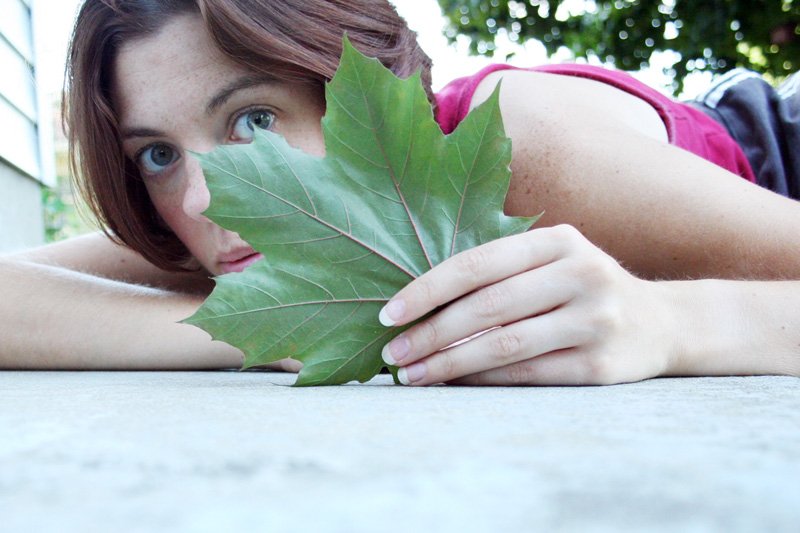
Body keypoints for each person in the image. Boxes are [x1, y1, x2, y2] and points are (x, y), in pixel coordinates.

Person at [1, 0, 798, 385]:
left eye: (252, 121)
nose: (208, 199)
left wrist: (676, 323)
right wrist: (261, 327)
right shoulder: (205, 228)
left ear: (357, 93)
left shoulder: (521, 144)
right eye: (156, 154)